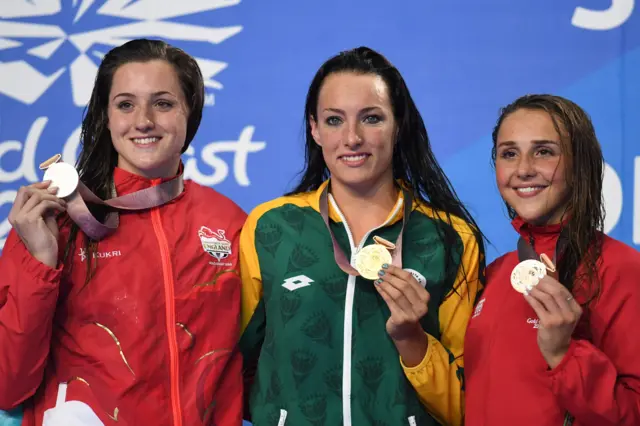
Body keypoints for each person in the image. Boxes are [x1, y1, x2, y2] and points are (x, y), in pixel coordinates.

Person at [0, 39, 246, 426]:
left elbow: (256, 369)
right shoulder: (54, 220)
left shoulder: (229, 222)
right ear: (106, 115)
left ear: (190, 112)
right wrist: (41, 266)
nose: (143, 120)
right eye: (125, 104)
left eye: (163, 103)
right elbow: (7, 386)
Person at [239, 46, 484, 426]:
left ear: (398, 125)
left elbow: (467, 405)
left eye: (371, 118)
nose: (352, 138)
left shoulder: (449, 238)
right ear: (314, 129)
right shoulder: (272, 226)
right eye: (334, 120)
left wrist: (413, 340)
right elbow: (230, 364)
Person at [464, 94, 640, 425]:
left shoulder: (623, 270)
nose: (524, 169)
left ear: (580, 164)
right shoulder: (495, 274)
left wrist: (564, 354)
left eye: (544, 151)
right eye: (509, 154)